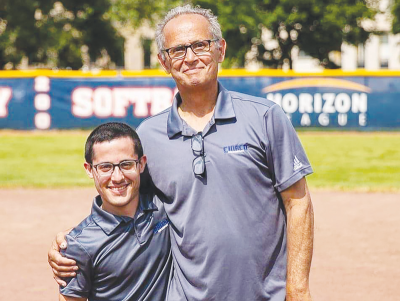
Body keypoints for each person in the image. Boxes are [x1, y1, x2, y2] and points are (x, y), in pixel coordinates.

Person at [49, 5, 314, 301]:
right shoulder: (148, 136)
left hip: (265, 295)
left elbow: (298, 202)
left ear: (220, 49)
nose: (190, 57)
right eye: (177, 50)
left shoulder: (265, 117)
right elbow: (125, 199)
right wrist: (71, 245)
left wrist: (298, 289)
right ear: (164, 61)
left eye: (200, 45)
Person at [58, 122, 172, 301]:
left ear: (141, 164)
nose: (117, 177)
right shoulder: (79, 245)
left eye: (126, 164)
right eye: (105, 167)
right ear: (89, 170)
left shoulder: (167, 209)